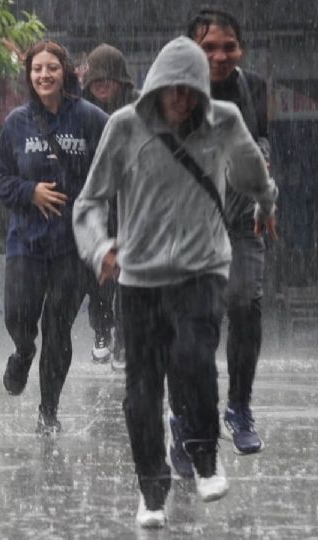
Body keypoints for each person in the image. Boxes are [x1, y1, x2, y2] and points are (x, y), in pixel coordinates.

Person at [73, 36, 277, 528]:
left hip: (202, 267)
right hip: (140, 277)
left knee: (193, 359)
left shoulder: (223, 121)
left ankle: (205, 456)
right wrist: (100, 248)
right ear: (157, 87)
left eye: (191, 90)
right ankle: (151, 488)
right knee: (141, 389)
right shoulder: (124, 127)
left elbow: (253, 174)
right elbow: (89, 203)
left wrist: (265, 205)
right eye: (173, 90)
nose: (182, 100)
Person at [0, 40, 109, 434]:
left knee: (58, 329)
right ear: (29, 76)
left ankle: (48, 412)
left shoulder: (92, 119)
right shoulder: (16, 123)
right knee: (18, 317)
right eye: (37, 69)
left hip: (73, 248)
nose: (44, 75)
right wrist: (30, 192)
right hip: (26, 242)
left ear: (66, 72)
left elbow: (114, 173)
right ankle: (23, 353)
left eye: (51, 68)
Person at [185, 8, 272, 458]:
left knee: (244, 305)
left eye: (229, 46)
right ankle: (190, 416)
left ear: (241, 48)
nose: (220, 56)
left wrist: (265, 193)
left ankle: (239, 408)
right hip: (187, 226)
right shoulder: (173, 92)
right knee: (196, 323)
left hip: (242, 221)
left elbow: (262, 144)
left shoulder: (254, 87)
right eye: (208, 47)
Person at [81, 43, 141, 369]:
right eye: (96, 80)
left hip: (131, 200)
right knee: (99, 273)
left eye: (108, 79)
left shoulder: (138, 106)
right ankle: (102, 330)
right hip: (94, 200)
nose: (102, 86)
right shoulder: (80, 109)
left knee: (128, 273)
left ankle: (124, 342)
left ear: (121, 80)